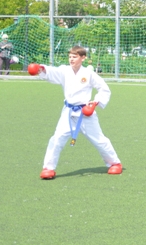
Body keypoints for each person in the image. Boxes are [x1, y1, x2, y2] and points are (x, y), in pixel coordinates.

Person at [33, 46, 122, 180]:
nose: (71, 59)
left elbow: (104, 89)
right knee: (57, 139)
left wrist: (95, 103)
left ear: (83, 58)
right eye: (70, 57)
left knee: (99, 139)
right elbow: (52, 72)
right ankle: (48, 168)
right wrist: (41, 69)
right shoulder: (64, 71)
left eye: (74, 57)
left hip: (86, 112)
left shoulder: (89, 74)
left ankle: (115, 163)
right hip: (68, 112)